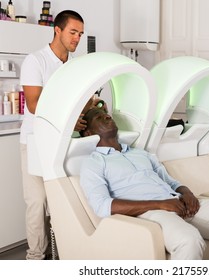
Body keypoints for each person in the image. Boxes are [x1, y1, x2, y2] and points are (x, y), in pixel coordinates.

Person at [80, 108, 209, 260]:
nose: (106, 115)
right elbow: (102, 206)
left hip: (178, 201)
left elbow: (171, 181)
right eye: (98, 116)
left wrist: (187, 194)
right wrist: (160, 204)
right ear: (88, 132)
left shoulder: (140, 153)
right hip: (150, 213)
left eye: (107, 114)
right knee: (189, 240)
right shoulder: (93, 163)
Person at [19, 10, 97, 260]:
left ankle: (63, 255)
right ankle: (35, 258)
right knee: (37, 202)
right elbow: (34, 104)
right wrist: (71, 117)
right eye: (73, 32)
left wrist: (93, 106)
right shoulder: (36, 61)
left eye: (80, 34)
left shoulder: (75, 66)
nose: (77, 38)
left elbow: (81, 102)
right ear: (58, 30)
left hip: (64, 142)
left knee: (61, 202)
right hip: (35, 142)